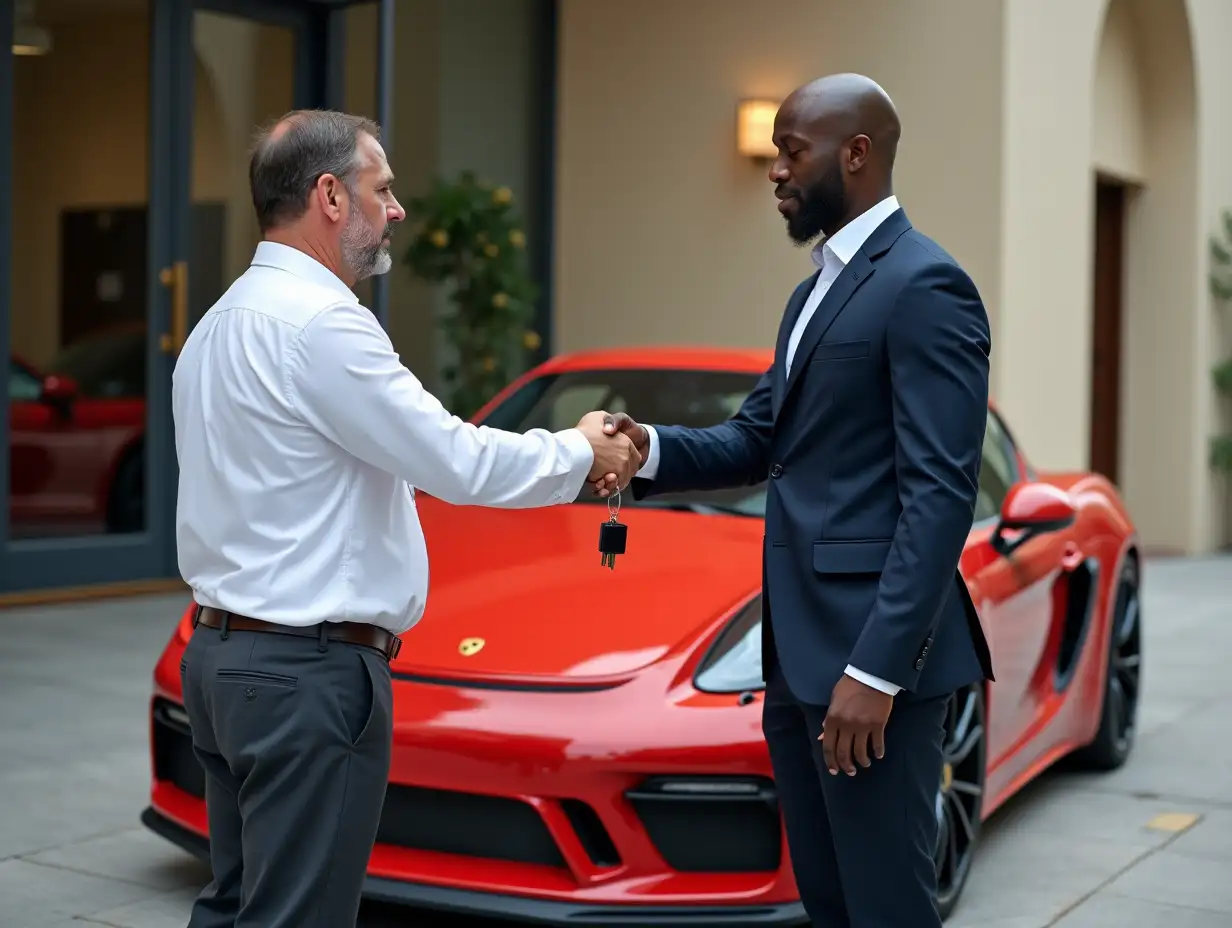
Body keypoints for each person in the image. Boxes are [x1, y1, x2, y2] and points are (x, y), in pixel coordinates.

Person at [172, 109, 641, 928]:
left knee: (237, 904)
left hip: (220, 662)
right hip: (304, 677)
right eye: (381, 189)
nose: (396, 211)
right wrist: (578, 450)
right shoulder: (324, 326)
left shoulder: (216, 325)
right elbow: (455, 460)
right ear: (328, 195)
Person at [599, 74, 995, 926]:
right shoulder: (810, 293)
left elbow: (939, 495)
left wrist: (877, 671)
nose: (776, 171)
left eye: (791, 151)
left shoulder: (926, 285)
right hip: (799, 657)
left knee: (886, 905)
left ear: (856, 154)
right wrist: (648, 450)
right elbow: (759, 438)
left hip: (868, 668)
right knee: (829, 901)